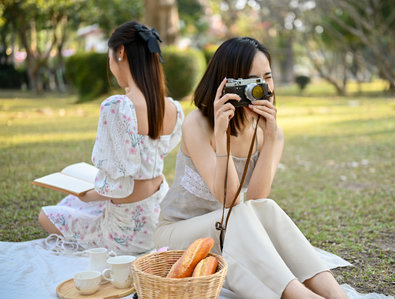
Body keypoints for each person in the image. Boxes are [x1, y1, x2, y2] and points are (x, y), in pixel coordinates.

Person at [155, 37, 348, 299]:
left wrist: (270, 139)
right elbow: (230, 200)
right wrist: (222, 137)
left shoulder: (270, 132)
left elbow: (256, 202)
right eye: (252, 80)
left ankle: (338, 296)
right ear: (228, 82)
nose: (262, 87)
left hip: (229, 231)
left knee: (265, 208)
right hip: (178, 236)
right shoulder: (198, 123)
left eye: (267, 77)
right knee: (238, 216)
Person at [38, 21, 184, 255]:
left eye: (109, 58)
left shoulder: (118, 107)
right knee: (70, 202)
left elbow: (118, 187)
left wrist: (87, 195)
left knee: (47, 215)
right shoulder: (172, 108)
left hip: (126, 235)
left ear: (120, 52)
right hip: (159, 223)